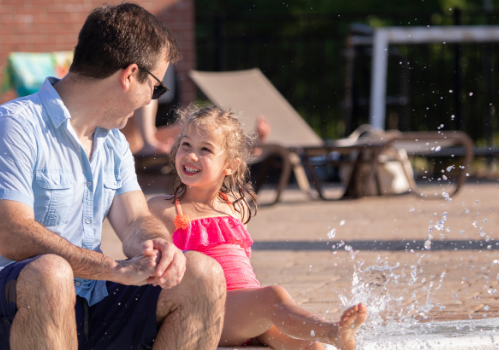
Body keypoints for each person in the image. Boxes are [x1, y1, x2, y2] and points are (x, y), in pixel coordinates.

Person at [0, 4, 227, 350]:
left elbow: (136, 220)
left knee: (202, 273)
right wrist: (113, 268)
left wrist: (157, 245)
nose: (149, 101)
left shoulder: (111, 142)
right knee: (51, 273)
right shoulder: (14, 126)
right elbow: (13, 235)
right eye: (155, 88)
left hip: (85, 300)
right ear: (129, 76)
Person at [148, 105, 367, 350]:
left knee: (310, 347)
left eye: (205, 149)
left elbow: (252, 156)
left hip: (248, 315)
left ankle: (326, 337)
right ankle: (333, 331)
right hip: (207, 313)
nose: (191, 155)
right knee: (272, 297)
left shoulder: (233, 207)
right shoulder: (164, 209)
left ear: (229, 166)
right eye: (186, 144)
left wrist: (259, 140)